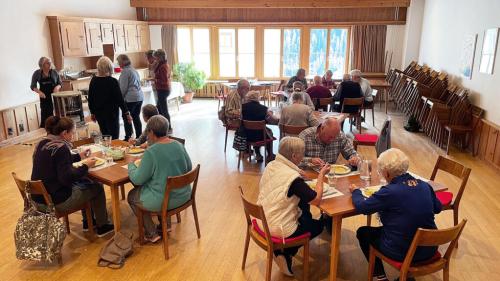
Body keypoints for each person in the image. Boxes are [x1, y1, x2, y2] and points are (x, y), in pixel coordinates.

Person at [349, 148, 442, 281]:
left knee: (364, 233)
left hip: (404, 252)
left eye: (380, 171)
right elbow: (437, 208)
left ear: (386, 173)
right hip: (429, 248)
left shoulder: (390, 191)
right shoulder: (424, 186)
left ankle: (380, 277)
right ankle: (408, 277)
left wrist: (356, 192)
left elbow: (362, 207)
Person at [31, 116, 114, 237]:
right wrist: (86, 166)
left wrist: (79, 156)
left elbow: (57, 161)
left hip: (38, 199)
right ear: (64, 133)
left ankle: (88, 223)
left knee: (85, 182)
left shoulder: (42, 143)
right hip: (54, 202)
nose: (73, 136)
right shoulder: (61, 148)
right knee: (96, 186)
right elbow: (66, 178)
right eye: (72, 133)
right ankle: (103, 226)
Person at [258, 137, 328, 277]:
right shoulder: (293, 179)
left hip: (263, 220)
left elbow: (283, 183)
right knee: (319, 226)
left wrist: (298, 173)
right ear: (294, 156)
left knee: (302, 204)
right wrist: (321, 175)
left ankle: (282, 252)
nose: (303, 156)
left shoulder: (271, 165)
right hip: (279, 228)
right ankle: (285, 252)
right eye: (302, 153)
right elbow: (316, 199)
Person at [127, 115, 192, 243]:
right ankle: (165, 225)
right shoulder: (178, 145)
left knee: (132, 196)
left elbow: (137, 180)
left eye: (147, 132)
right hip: (184, 195)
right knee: (159, 185)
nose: (147, 136)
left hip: (166, 201)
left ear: (151, 132)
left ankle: (151, 233)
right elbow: (188, 167)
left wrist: (130, 164)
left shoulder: (152, 152)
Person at [88, 56, 131, 139]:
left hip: (99, 114)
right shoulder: (113, 81)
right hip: (112, 114)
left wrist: (92, 112)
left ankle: (107, 150)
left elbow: (90, 99)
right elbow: (120, 100)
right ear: (109, 67)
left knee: (105, 136)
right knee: (114, 137)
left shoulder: (93, 81)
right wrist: (127, 113)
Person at [241, 91, 276, 162]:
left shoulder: (242, 107)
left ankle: (258, 154)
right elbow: (272, 119)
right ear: (258, 98)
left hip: (246, 136)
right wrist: (271, 114)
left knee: (257, 131)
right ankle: (270, 154)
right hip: (260, 136)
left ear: (248, 98)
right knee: (269, 132)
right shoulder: (264, 108)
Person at [117, 54, 144, 141]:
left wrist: (119, 100)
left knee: (126, 118)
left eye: (118, 62)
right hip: (139, 97)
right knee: (136, 117)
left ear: (122, 62)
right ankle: (140, 136)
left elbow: (123, 88)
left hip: (130, 99)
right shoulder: (133, 69)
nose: (118, 64)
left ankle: (128, 137)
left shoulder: (125, 72)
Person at [30, 57, 61, 127]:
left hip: (54, 97)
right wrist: (39, 92)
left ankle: (56, 129)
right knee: (45, 115)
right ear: (42, 65)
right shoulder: (37, 73)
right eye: (47, 63)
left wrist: (57, 87)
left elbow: (60, 83)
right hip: (44, 97)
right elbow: (33, 86)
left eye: (50, 62)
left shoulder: (54, 72)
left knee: (55, 114)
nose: (50, 64)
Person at [153, 49, 173, 133]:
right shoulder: (161, 64)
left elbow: (164, 80)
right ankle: (162, 127)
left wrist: (155, 80)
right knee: (159, 109)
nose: (155, 59)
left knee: (164, 110)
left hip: (163, 90)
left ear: (160, 57)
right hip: (162, 89)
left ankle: (169, 128)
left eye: (156, 57)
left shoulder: (163, 66)